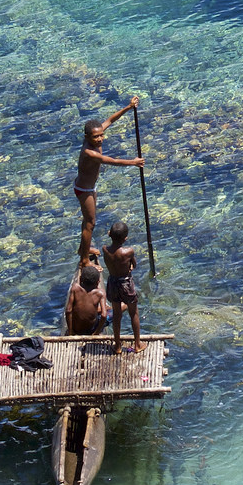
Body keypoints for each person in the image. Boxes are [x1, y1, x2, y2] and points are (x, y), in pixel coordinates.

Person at [73, 97, 144, 260]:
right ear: (87, 137)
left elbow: (111, 119)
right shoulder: (89, 152)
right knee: (90, 223)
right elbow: (111, 161)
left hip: (90, 187)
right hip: (84, 189)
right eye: (96, 137)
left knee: (87, 221)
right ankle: (84, 260)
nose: (99, 139)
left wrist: (129, 107)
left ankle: (83, 249)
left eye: (101, 135)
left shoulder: (95, 133)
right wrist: (133, 162)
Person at [104, 220, 142, 355]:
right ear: (125, 238)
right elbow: (134, 265)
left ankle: (118, 346)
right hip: (126, 283)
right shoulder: (129, 251)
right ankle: (137, 344)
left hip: (113, 283)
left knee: (117, 315)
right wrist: (130, 267)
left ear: (110, 235)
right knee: (134, 313)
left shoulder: (105, 250)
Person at [65, 264, 111, 336]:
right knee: (119, 308)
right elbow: (104, 315)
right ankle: (98, 329)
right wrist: (96, 332)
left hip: (75, 329)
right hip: (91, 329)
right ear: (98, 282)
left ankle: (96, 310)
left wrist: (71, 331)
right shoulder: (100, 293)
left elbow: (68, 310)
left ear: (80, 279)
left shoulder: (75, 288)